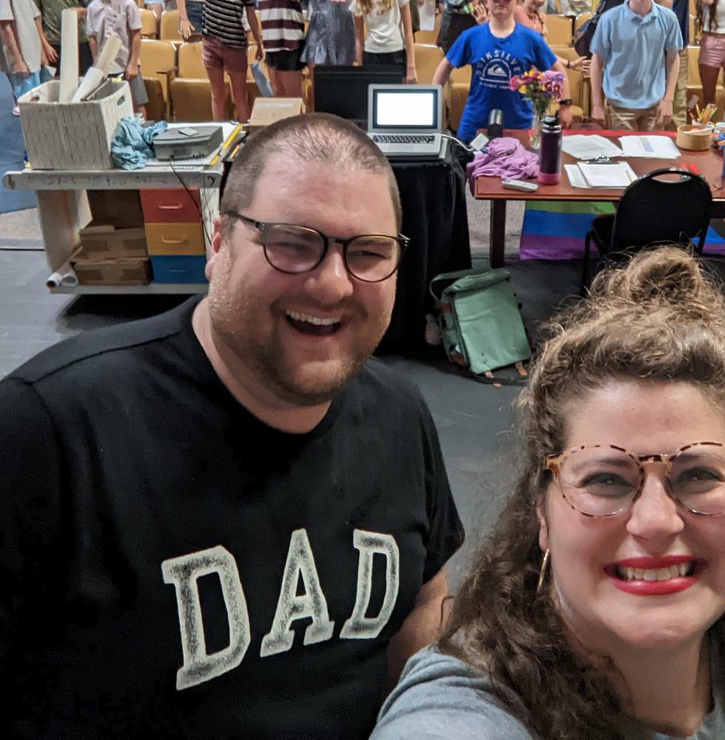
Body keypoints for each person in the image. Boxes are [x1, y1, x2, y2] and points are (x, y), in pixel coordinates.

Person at [0, 113, 463, 740]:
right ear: (218, 241)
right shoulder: (47, 431)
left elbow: (425, 599)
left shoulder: (399, 414)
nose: (331, 284)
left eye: (368, 252)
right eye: (293, 243)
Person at [371, 246, 725, 740]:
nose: (656, 521)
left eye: (699, 474)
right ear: (542, 513)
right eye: (606, 479)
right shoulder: (468, 713)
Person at [432, 0, 573, 144]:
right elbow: (444, 67)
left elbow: (558, 71)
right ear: (486, 1)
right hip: (475, 125)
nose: (501, 1)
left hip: (519, 125)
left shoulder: (531, 39)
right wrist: (433, 106)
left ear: (516, 1)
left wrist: (565, 105)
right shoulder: (470, 36)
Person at [589, 0, 682, 130]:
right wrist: (596, 104)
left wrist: (668, 98)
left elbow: (673, 59)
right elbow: (597, 61)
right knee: (624, 155)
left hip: (654, 105)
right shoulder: (609, 19)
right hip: (619, 105)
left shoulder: (668, 18)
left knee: (652, 155)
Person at [85, 0, 148, 115]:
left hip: (126, 64)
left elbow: (136, 35)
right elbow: (92, 37)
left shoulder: (128, 4)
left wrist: (133, 64)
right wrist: (97, 64)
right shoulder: (93, 8)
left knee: (137, 103)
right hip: (105, 67)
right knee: (110, 105)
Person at [0, 0, 53, 113]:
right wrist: (17, 61)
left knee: (40, 103)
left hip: (33, 54)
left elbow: (35, 17)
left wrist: (42, 50)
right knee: (27, 108)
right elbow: (5, 27)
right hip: (22, 57)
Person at [351, 0, 417, 81]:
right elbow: (358, 38)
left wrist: (411, 66)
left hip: (396, 52)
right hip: (372, 54)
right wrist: (359, 65)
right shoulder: (359, 0)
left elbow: (409, 33)